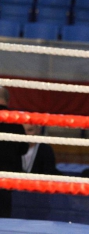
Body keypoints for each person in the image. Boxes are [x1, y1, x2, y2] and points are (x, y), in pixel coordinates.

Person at [0, 86, 29, 218]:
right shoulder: (15, 120)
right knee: (4, 216)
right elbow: (24, 149)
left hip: (8, 174)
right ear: (8, 100)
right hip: (7, 177)